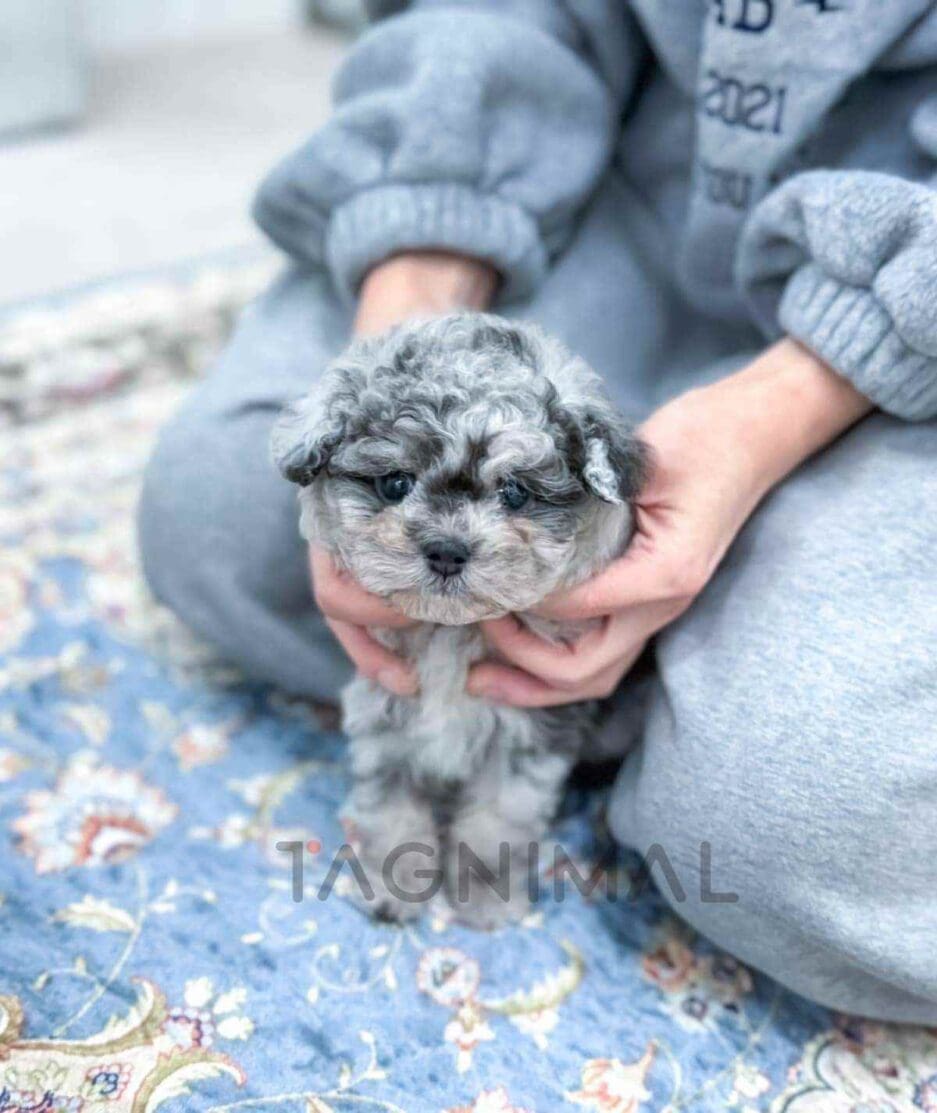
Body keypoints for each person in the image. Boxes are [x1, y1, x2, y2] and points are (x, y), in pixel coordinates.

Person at [139, 2, 937, 1021]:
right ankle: (662, 703)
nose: (444, 537)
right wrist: (424, 270)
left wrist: (782, 409)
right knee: (211, 517)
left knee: (782, 833)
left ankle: (670, 723)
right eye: (398, 493)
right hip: (600, 186)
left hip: (910, 304)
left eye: (510, 498)